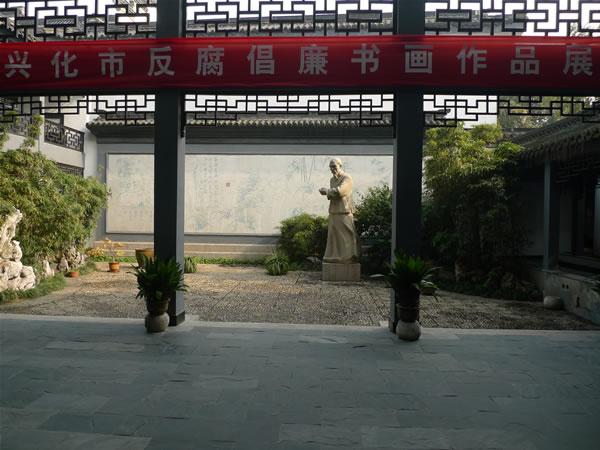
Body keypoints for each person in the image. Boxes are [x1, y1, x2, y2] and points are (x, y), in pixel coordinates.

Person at [319, 158, 360, 264]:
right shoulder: (332, 180)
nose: (332, 169)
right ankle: (334, 256)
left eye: (334, 166)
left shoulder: (347, 178)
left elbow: (341, 191)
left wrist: (327, 191)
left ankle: (348, 257)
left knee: (346, 235)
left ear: (340, 166)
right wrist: (327, 192)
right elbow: (333, 195)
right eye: (330, 167)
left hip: (344, 211)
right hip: (334, 210)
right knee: (334, 236)